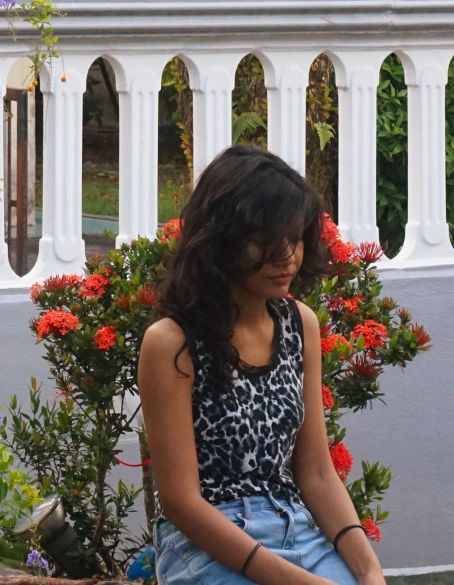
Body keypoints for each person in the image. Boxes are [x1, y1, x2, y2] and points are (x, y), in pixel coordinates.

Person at [137, 146, 385, 585]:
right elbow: (180, 502)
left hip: (297, 527)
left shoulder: (299, 325)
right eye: (265, 240)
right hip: (206, 543)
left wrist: (368, 571)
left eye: (296, 237)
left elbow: (316, 471)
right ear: (220, 238)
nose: (287, 255)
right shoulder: (172, 343)